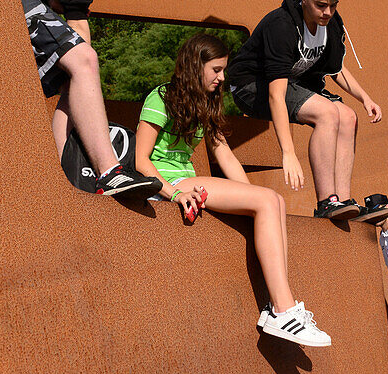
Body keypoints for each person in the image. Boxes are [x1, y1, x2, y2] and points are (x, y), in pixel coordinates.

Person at [130, 35, 331, 346]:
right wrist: (173, 193)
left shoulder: (206, 101)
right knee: (265, 201)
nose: (222, 77)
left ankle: (283, 304)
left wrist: (251, 198)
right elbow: (141, 161)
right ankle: (283, 310)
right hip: (169, 185)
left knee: (273, 201)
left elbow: (224, 154)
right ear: (195, 66)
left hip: (188, 180)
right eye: (216, 69)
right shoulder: (160, 97)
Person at [7, 0, 162, 196]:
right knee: (85, 60)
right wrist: (88, 66)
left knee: (75, 75)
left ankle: (61, 168)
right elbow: (77, 18)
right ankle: (111, 173)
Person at [225, 0, 385, 220]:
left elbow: (336, 68)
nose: (327, 12)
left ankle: (343, 202)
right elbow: (276, 96)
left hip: (289, 84)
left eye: (333, 5)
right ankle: (326, 202)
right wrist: (288, 153)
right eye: (321, 5)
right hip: (250, 86)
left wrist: (365, 98)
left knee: (348, 116)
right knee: (327, 113)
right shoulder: (282, 25)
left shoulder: (330, 23)